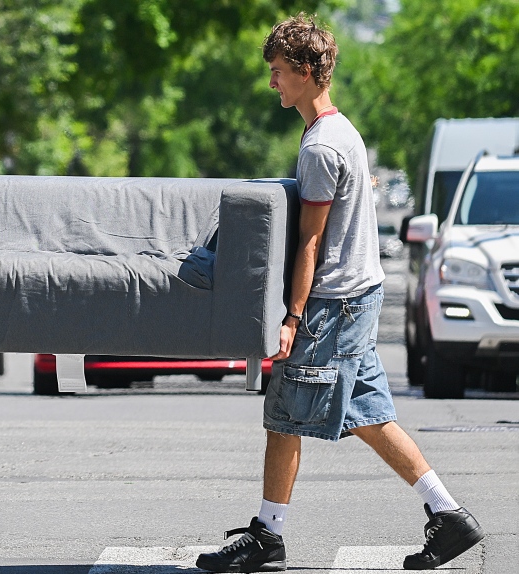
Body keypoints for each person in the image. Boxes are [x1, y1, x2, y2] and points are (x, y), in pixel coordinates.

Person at [196, 15, 484, 573]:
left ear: (306, 72)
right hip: (359, 295)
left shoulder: (322, 147)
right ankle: (448, 516)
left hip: (334, 303)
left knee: (284, 414)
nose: (272, 82)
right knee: (370, 414)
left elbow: (310, 242)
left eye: (278, 72)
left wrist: (292, 316)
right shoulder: (338, 132)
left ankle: (268, 537)